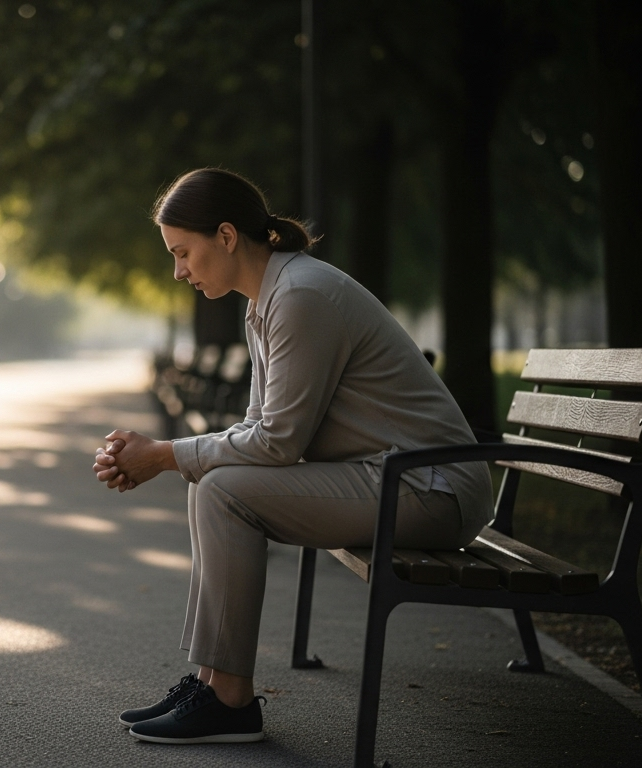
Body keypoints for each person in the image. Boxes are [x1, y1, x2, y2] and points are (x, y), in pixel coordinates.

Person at [92, 169, 493, 745]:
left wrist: (163, 455)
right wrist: (166, 457)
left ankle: (228, 699)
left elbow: (279, 442)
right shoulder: (268, 299)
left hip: (432, 489)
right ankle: (213, 684)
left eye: (183, 252)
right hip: (395, 478)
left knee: (223, 489)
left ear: (226, 236)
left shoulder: (300, 295)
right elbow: (259, 429)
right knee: (213, 482)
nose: (177, 270)